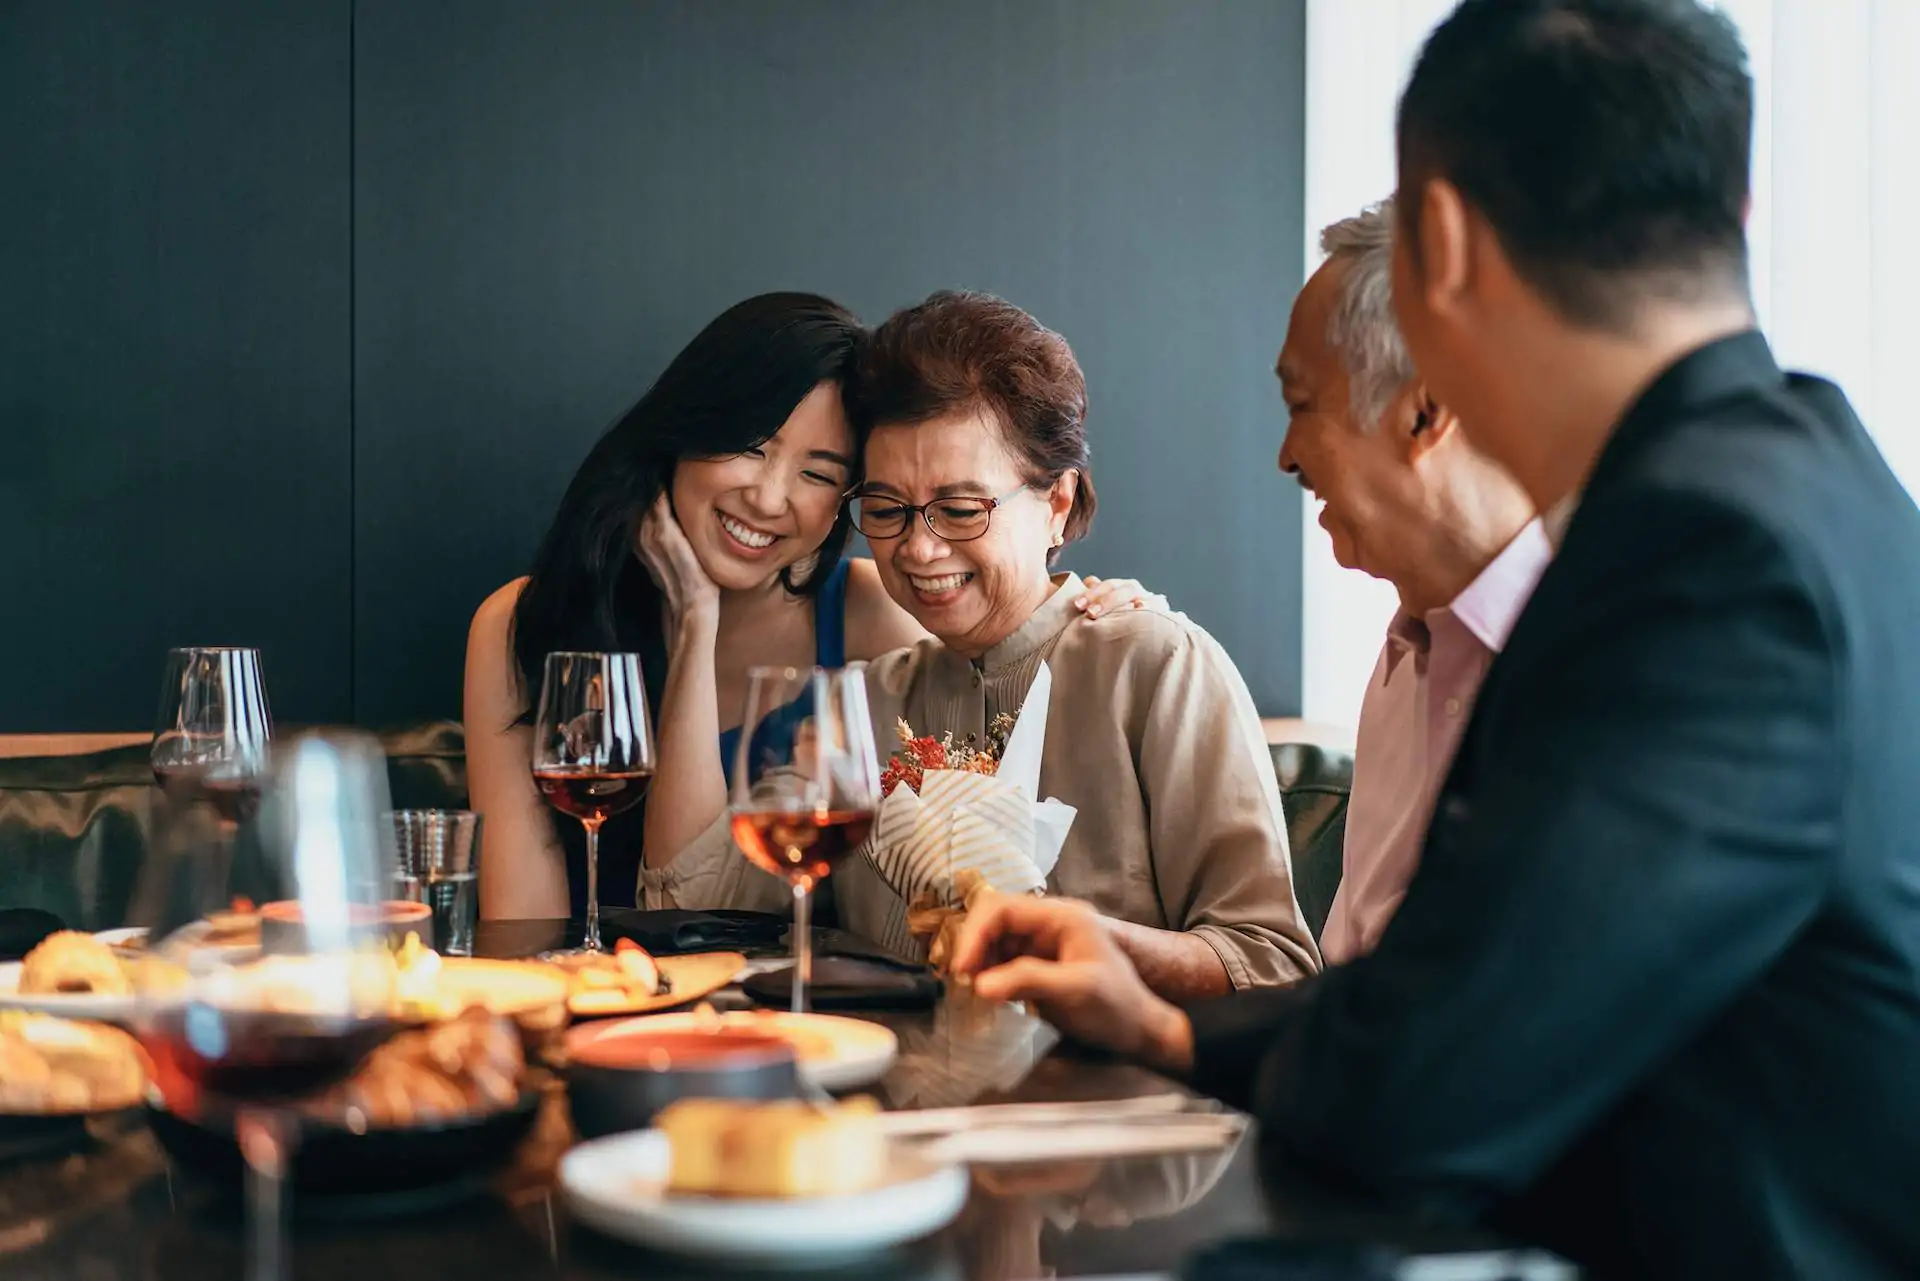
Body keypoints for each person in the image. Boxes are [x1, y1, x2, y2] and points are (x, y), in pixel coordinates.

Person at [946, 2, 1920, 1276]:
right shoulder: (1828, 473)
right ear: (1732, 206)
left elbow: (1436, 1085)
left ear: (1444, 242)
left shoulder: (1697, 552)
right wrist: (1169, 1028)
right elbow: (1484, 984)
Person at [647, 291, 1320, 995]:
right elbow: (686, 903)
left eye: (961, 510)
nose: (919, 547)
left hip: (1107, 1097)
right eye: (885, 510)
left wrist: (1077, 940)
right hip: (902, 1098)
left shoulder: (1153, 668)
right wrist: (698, 614)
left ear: (1057, 502)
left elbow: (1272, 961)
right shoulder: (873, 700)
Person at [464, 292, 1152, 920]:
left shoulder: (875, 614)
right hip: (600, 1004)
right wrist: (692, 620)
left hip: (817, 1020)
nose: (768, 497)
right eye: (749, 447)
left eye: (819, 473)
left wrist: (1089, 611)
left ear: (844, 505)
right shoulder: (520, 623)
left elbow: (1005, 737)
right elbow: (524, 929)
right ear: (684, 433)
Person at [1277, 200, 1547, 962]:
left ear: (1426, 410)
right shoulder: (1403, 660)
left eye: (1302, 405)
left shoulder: (1590, 654)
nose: (1286, 456)